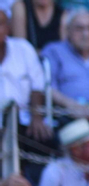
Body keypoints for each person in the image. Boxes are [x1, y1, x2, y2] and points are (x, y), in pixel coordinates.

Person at [0, 11, 47, 146]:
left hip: (25, 121)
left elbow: (37, 86)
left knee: (46, 142)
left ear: (8, 27)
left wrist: (37, 117)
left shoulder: (23, 48)